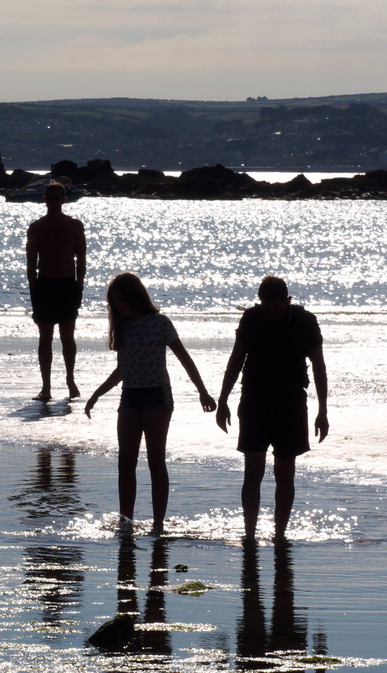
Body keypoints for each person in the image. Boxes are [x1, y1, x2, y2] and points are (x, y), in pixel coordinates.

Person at [84, 273, 215, 536]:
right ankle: (126, 521)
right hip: (130, 396)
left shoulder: (160, 323)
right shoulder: (123, 327)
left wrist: (203, 391)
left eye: (121, 300)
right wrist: (97, 394)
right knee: (126, 462)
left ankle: (158, 523)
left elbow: (185, 359)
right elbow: (122, 369)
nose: (118, 306)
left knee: (156, 460)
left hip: (157, 396)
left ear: (134, 297)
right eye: (114, 302)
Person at [216, 275, 328, 542]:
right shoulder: (252, 318)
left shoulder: (305, 321)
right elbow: (235, 360)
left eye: (277, 309)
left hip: (291, 403)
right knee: (253, 469)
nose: (272, 314)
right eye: (267, 309)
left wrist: (322, 410)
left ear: (287, 301)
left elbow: (320, 367)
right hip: (254, 399)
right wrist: (223, 401)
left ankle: (279, 534)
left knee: (285, 473)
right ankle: (250, 533)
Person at [25, 181, 87, 401]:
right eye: (49, 197)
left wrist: (79, 285)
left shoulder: (74, 225)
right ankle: (46, 387)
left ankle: (70, 379)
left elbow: (81, 257)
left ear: (64, 199)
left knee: (67, 336)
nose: (52, 201)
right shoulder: (36, 227)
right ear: (44, 200)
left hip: (67, 284)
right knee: (45, 338)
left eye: (56, 197)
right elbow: (31, 263)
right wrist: (34, 288)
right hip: (45, 285)